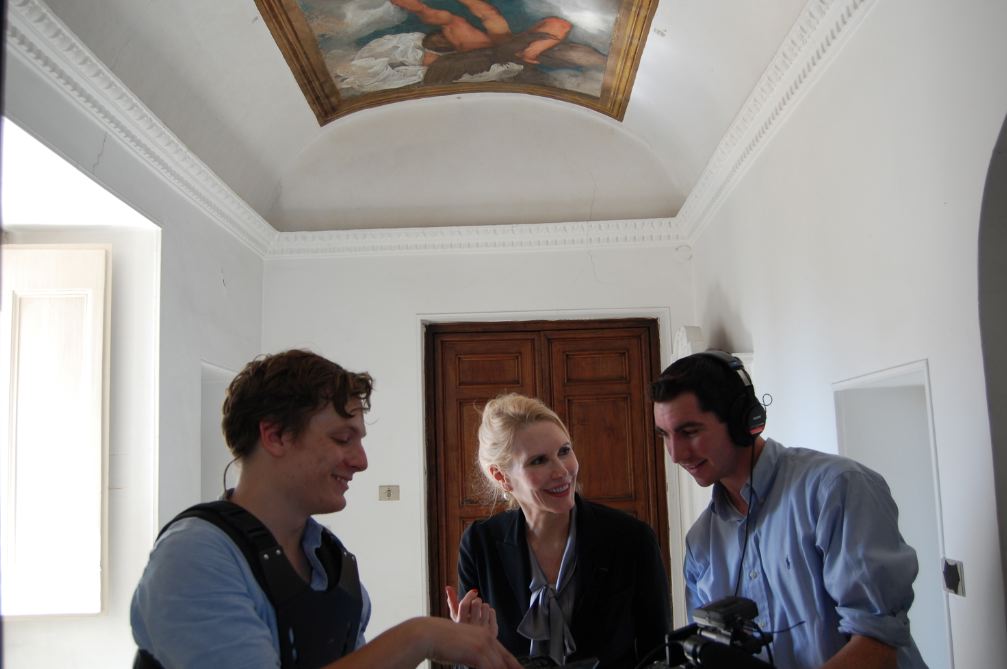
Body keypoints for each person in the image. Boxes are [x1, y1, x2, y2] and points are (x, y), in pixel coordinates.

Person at [130, 349, 522, 669]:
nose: (361, 461)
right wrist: (420, 636)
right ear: (275, 435)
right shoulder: (195, 556)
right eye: (342, 438)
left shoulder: (331, 559)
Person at [651, 350, 928, 669]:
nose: (675, 454)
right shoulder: (700, 543)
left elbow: (877, 646)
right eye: (665, 436)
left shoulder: (837, 490)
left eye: (689, 432)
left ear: (743, 421)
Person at [452, 393, 671, 667]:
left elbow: (660, 656)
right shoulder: (479, 544)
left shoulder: (632, 539)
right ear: (501, 476)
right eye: (538, 461)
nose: (562, 472)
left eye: (564, 451)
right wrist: (466, 646)